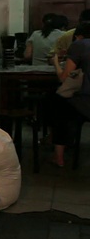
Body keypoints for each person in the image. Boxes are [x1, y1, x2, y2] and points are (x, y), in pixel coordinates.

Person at [50, 22, 90, 167]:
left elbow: (64, 77)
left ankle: (58, 156)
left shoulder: (80, 45)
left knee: (60, 102)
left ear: (78, 36)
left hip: (86, 101)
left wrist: (55, 62)